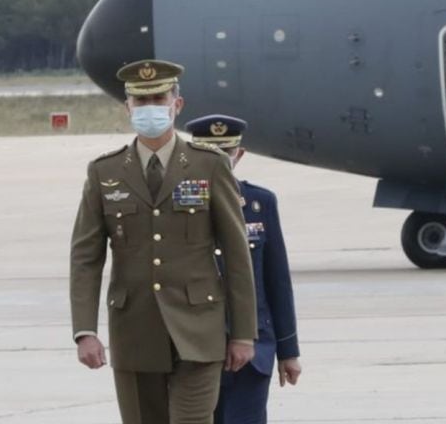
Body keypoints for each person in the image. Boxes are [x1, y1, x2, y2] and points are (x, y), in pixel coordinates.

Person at [70, 60, 257, 424]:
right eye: (140, 102)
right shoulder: (104, 172)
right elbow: (86, 257)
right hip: (134, 330)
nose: (149, 109)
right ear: (127, 108)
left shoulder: (210, 165)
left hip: (199, 330)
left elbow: (237, 255)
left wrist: (244, 333)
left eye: (158, 98)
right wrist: (85, 331)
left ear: (177, 104)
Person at [184, 115, 303, 424]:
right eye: (211, 154)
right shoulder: (179, 204)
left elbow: (277, 281)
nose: (220, 161)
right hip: (196, 350)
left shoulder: (259, 203)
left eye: (227, 153)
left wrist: (288, 351)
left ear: (240, 154)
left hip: (254, 350)